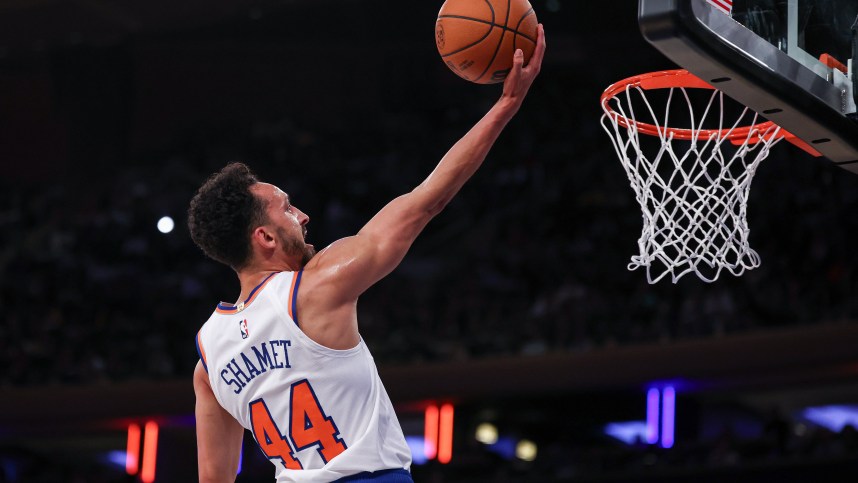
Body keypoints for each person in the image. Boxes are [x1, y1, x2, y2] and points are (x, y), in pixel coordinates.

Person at [187, 25, 546, 483]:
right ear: (266, 239)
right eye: (287, 209)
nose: (304, 216)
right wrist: (505, 107)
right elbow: (425, 202)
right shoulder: (315, 286)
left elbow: (214, 477)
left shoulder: (208, 357)